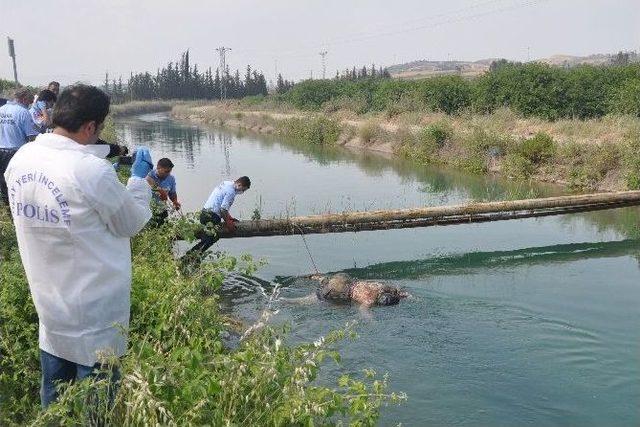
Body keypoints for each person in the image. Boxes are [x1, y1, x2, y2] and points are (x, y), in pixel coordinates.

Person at [3, 84, 154, 408]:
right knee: (95, 409)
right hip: (96, 318)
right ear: (89, 127)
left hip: (52, 309)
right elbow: (132, 222)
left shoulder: (22, 158)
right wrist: (138, 181)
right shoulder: (91, 172)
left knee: (55, 407)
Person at [184, 176, 251, 259]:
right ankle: (188, 257)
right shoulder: (231, 192)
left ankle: (195, 257)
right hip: (211, 217)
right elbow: (223, 210)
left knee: (212, 237)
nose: (242, 192)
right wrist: (229, 224)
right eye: (243, 189)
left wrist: (229, 218)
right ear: (240, 185)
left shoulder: (226, 183)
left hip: (205, 213)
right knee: (209, 239)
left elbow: (220, 203)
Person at [0, 87, 39, 204]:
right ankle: (15, 205)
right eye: (29, 101)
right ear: (23, 99)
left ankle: (6, 204)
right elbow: (31, 136)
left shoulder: (1, 109)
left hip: (0, 148)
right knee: (15, 180)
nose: (30, 104)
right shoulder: (23, 112)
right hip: (14, 151)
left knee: (2, 180)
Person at [300, 273, 409, 308]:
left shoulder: (379, 287)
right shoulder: (369, 301)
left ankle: (318, 278)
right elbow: (363, 311)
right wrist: (371, 321)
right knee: (315, 298)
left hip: (344, 281)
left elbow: (399, 290)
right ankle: (285, 301)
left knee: (326, 282)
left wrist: (403, 295)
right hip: (341, 292)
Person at [146, 157, 180, 226]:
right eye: (166, 171)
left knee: (164, 229)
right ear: (158, 168)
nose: (168, 174)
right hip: (149, 210)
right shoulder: (149, 175)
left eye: (170, 171)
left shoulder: (171, 179)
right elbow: (152, 185)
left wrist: (175, 202)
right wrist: (161, 191)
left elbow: (172, 193)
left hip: (162, 209)